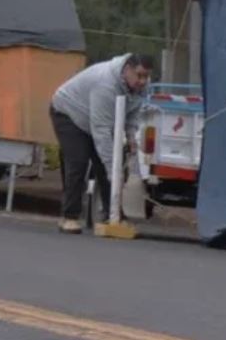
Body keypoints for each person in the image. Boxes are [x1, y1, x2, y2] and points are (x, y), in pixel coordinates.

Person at [49, 53, 153, 234]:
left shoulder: (140, 86)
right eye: (139, 75)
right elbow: (101, 130)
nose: (143, 81)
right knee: (79, 161)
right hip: (69, 113)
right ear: (127, 69)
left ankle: (113, 215)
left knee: (113, 163)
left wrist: (131, 138)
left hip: (98, 118)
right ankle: (69, 217)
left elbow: (132, 113)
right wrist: (112, 168)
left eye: (147, 76)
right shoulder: (106, 84)